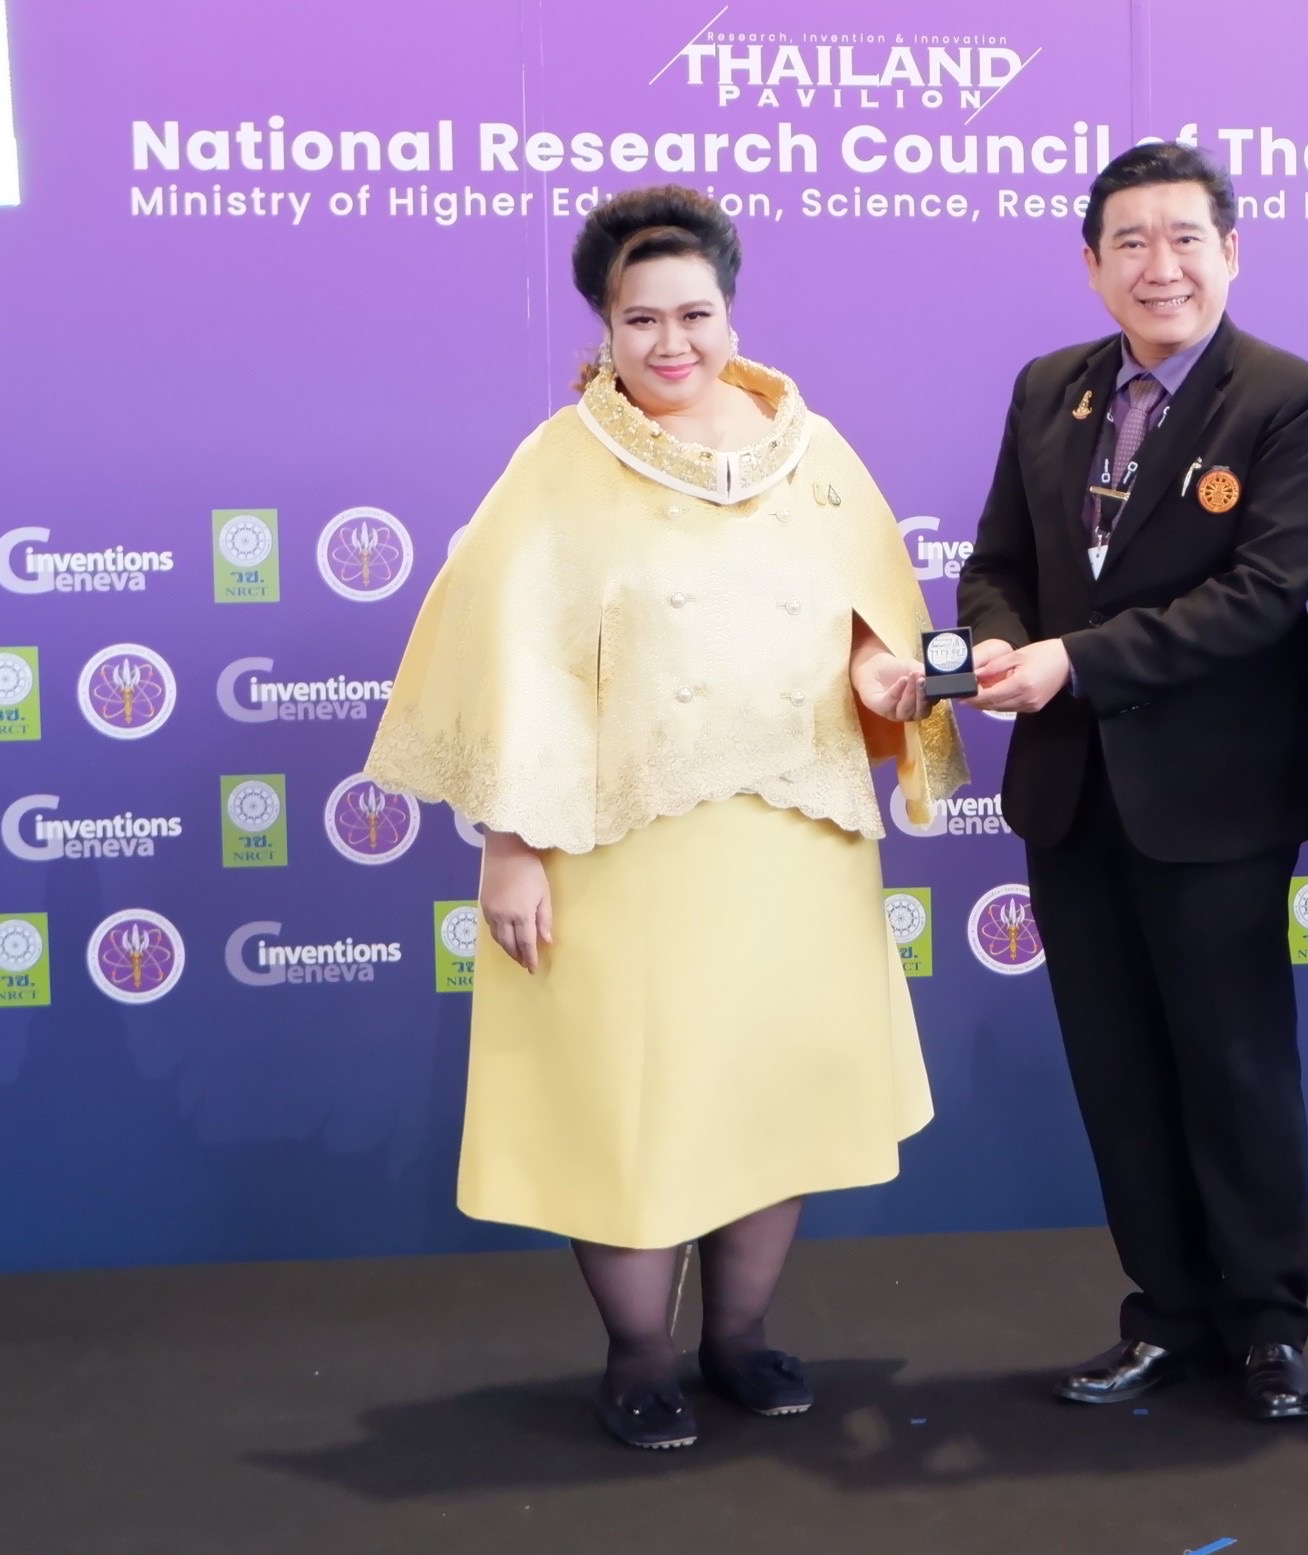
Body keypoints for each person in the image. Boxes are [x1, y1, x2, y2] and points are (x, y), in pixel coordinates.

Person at [364, 186, 968, 1450]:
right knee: (629, 1105)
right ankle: (638, 1354)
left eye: (694, 313)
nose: (672, 342)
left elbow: (868, 617)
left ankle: (737, 1337)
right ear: (604, 325)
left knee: (772, 1091)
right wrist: (511, 848)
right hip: (621, 843)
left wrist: (882, 673)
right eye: (642, 319)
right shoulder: (559, 464)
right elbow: (509, 662)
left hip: (795, 837)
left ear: (730, 312)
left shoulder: (813, 448)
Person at [954, 143, 1308, 1421]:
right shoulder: (1047, 388)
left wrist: (1074, 660)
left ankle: (1269, 1326)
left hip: (1213, 798)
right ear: (1092, 263)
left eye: (1185, 238)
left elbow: (1261, 595)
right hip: (1070, 794)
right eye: (1130, 241)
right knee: (1117, 1071)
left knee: (1235, 1068)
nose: (1159, 265)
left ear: (1231, 251)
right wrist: (999, 640)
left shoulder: (1286, 396)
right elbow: (996, 561)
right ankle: (1166, 1314)